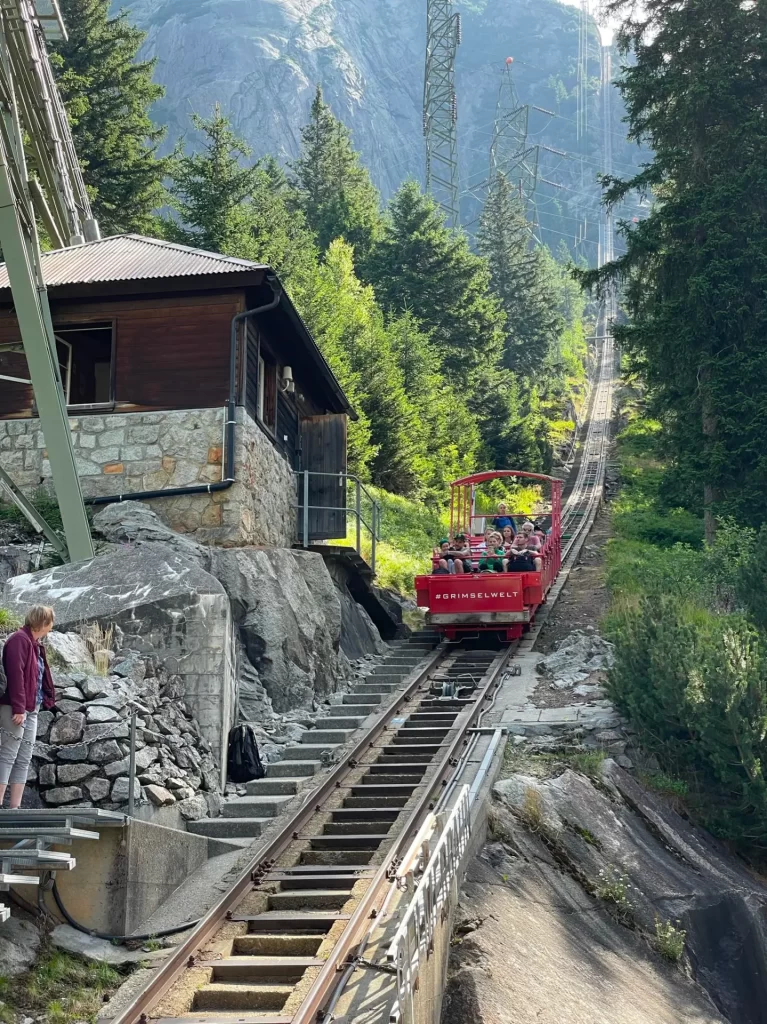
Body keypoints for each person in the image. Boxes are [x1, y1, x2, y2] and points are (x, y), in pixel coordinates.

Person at [0, 605, 56, 809]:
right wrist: (18, 708)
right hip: (16, 707)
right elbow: (16, 676)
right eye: (50, 623)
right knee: (8, 754)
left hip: (33, 707)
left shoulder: (35, 644)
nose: (51, 627)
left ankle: (14, 808)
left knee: (24, 757)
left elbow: (38, 677)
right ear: (43, 622)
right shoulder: (19, 641)